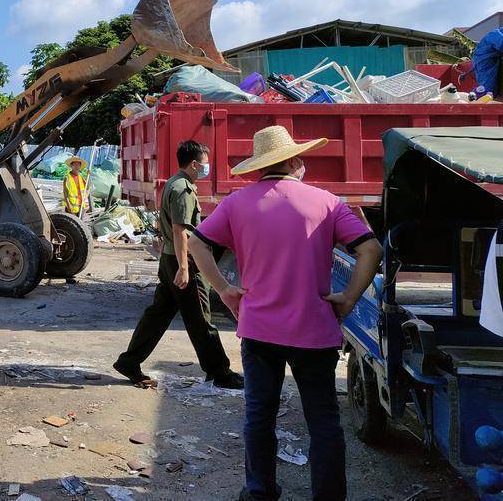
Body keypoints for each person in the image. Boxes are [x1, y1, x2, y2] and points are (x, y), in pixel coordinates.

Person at [186, 125, 382, 501]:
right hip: (315, 331)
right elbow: (370, 250)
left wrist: (225, 290)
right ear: (295, 160)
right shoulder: (326, 202)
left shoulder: (236, 203)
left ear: (261, 166)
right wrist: (348, 298)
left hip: (259, 331)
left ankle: (260, 492)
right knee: (324, 422)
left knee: (259, 417)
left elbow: (196, 243)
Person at [114, 140, 243, 390]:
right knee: (201, 318)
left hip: (169, 259)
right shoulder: (183, 189)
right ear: (194, 164)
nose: (208, 167)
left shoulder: (174, 182)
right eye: (205, 163)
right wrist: (185, 268)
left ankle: (129, 361)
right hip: (182, 260)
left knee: (159, 314)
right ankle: (220, 372)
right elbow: (180, 230)